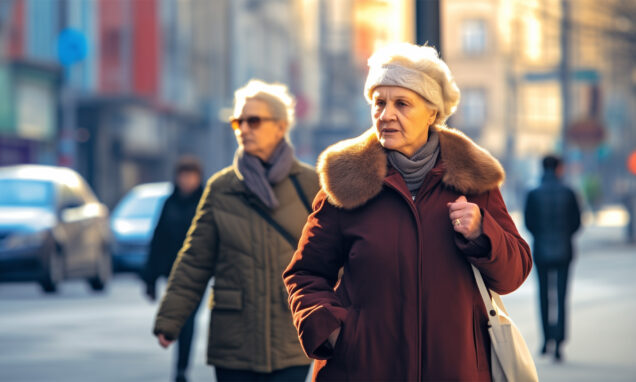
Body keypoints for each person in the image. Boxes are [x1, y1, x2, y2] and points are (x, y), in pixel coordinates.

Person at [283, 42, 533, 381]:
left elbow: (513, 273)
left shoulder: (473, 178)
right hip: (365, 371)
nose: (386, 115)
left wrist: (481, 233)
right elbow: (305, 273)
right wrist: (334, 332)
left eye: (402, 103)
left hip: (455, 370)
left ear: (432, 112)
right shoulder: (346, 180)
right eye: (379, 102)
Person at [152, 80, 319, 382]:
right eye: (238, 121)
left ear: (281, 127)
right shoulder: (222, 188)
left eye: (253, 120)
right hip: (234, 340)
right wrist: (170, 318)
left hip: (292, 334)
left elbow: (334, 257)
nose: (244, 128)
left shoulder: (310, 184)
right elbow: (195, 260)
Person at [141, 156, 204, 382]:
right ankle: (180, 367)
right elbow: (157, 240)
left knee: (188, 319)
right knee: (178, 316)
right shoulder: (170, 202)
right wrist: (149, 279)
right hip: (172, 271)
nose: (187, 180)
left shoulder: (206, 201)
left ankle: (181, 368)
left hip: (198, 272)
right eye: (183, 175)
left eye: (191, 175)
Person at [524, 154, 581, 362]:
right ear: (558, 168)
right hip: (564, 250)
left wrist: (541, 235)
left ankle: (546, 340)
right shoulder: (569, 192)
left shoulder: (533, 193)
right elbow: (577, 223)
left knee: (543, 296)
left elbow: (529, 223)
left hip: (541, 250)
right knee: (562, 297)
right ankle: (559, 343)